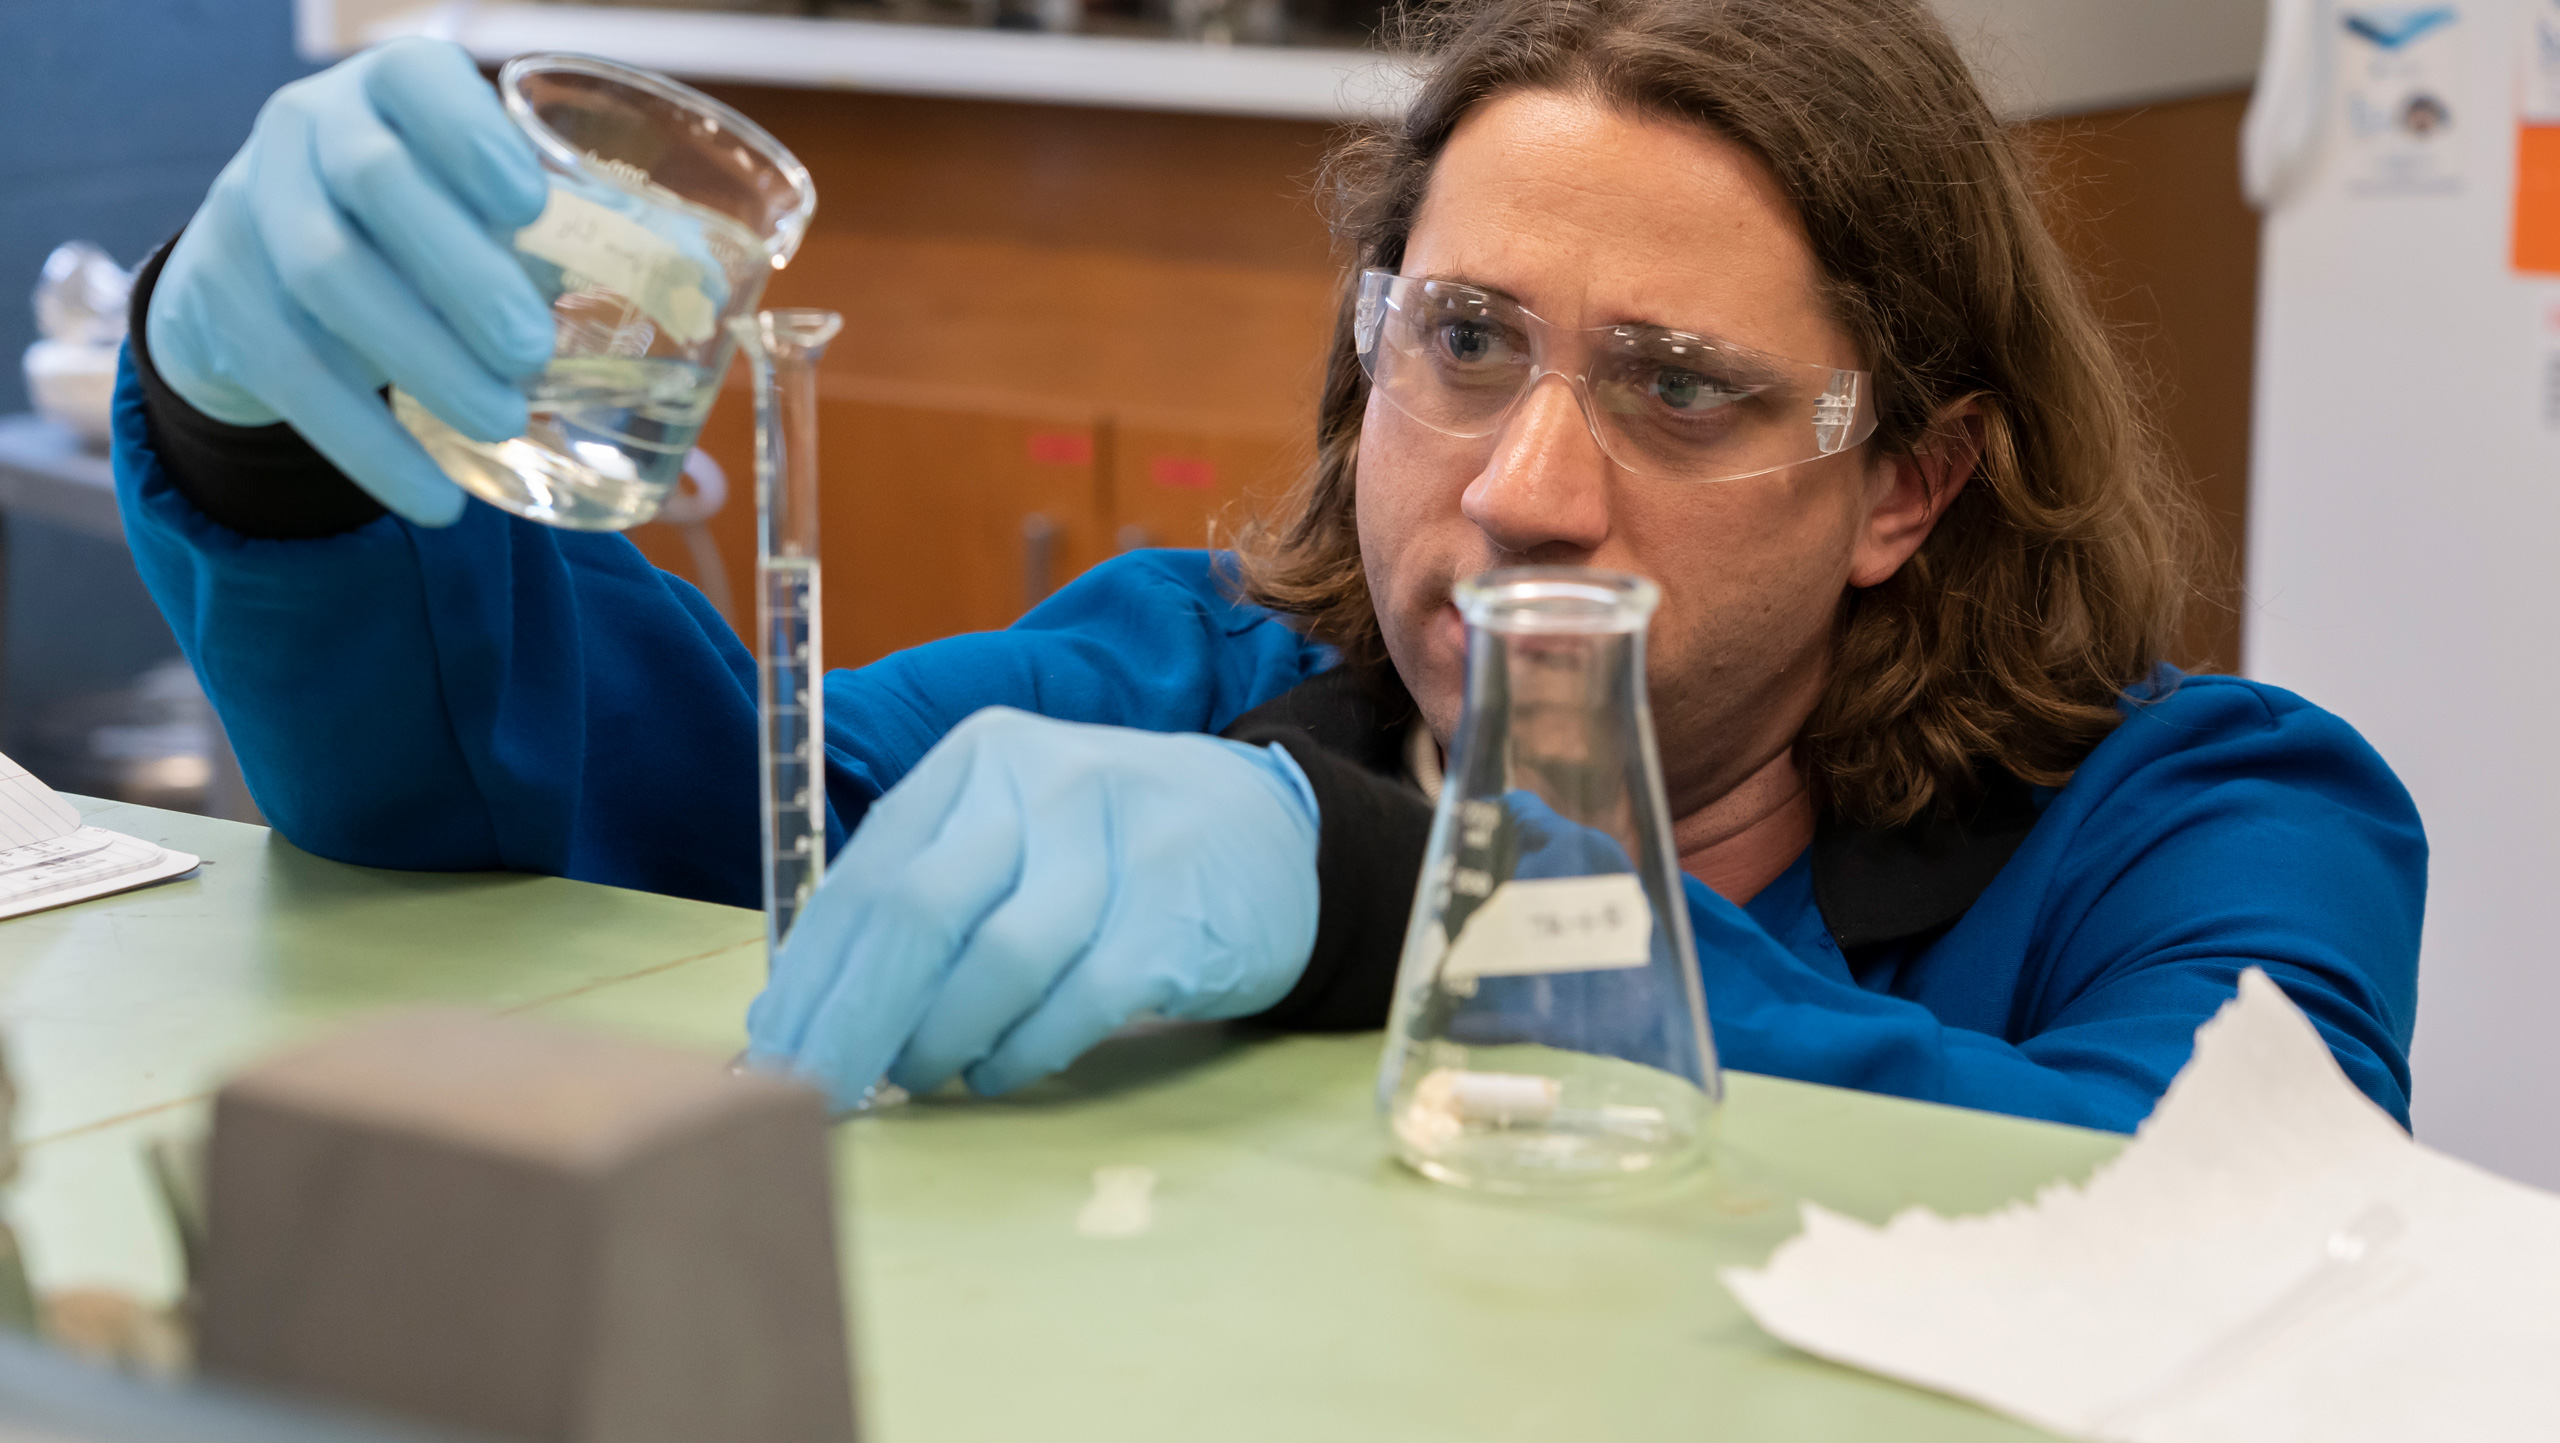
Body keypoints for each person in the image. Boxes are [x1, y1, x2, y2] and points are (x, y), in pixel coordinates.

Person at [112, 0, 2425, 1133]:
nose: (1523, 487)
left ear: (1904, 482)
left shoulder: (2211, 817)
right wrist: (287, 437)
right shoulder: (1178, 675)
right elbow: (647, 839)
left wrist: (1402, 902)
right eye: (1462, 339)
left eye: (1678, 389)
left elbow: (2215, 1214)